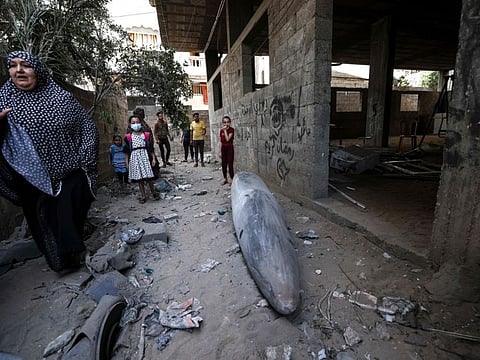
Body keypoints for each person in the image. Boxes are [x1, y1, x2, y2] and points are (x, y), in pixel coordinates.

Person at [0, 50, 99, 272]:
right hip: (29, 176)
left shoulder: (61, 97)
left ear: (38, 70)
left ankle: (73, 252)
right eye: (13, 66)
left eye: (26, 65)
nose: (19, 71)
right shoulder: (3, 99)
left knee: (69, 211)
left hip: (68, 169)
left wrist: (86, 158)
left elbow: (86, 125)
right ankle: (60, 262)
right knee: (42, 220)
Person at [124, 115, 160, 204]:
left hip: (145, 158)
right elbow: (127, 152)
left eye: (137, 122)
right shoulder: (128, 137)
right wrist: (127, 163)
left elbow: (151, 148)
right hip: (135, 159)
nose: (135, 124)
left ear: (140, 123)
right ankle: (143, 196)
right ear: (130, 124)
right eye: (133, 123)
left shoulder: (146, 135)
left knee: (149, 177)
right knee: (139, 179)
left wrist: (154, 159)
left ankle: (154, 193)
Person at [218, 116, 235, 185]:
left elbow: (228, 139)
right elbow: (220, 141)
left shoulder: (231, 130)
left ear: (230, 123)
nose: (226, 124)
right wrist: (219, 151)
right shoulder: (221, 130)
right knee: (223, 164)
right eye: (224, 122)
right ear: (223, 123)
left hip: (230, 148)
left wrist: (225, 130)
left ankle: (232, 179)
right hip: (223, 149)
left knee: (230, 164)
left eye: (228, 122)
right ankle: (225, 178)